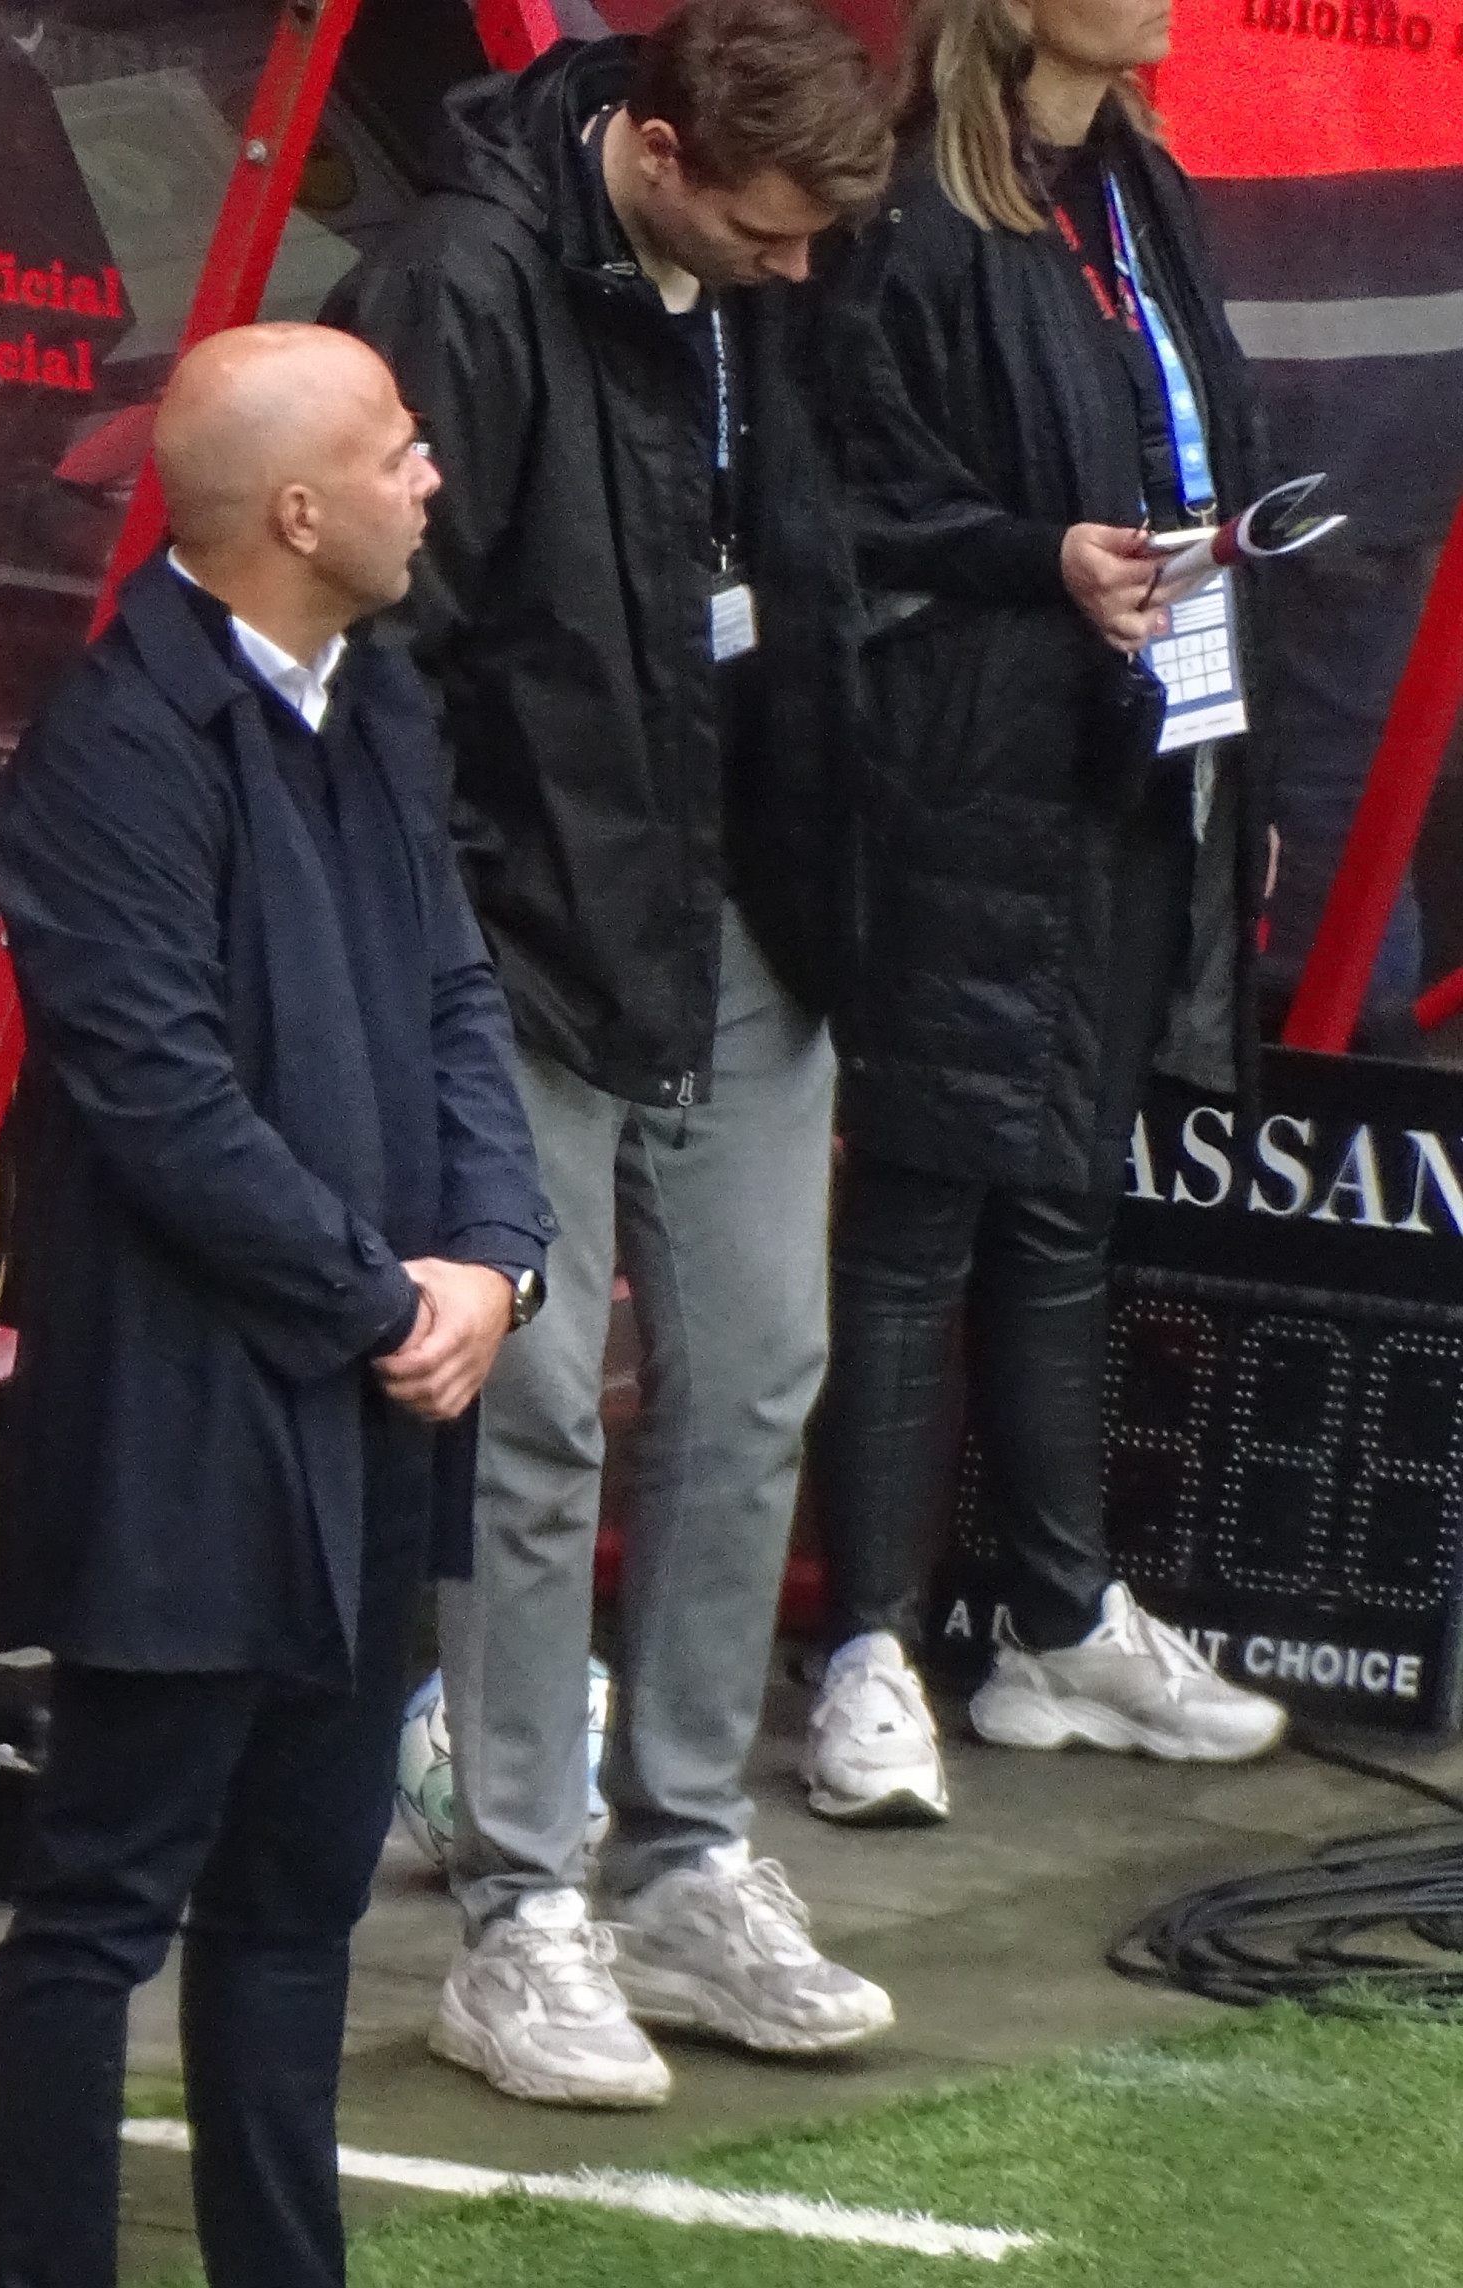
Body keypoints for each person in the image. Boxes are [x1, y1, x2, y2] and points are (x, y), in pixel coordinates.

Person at [0, 324, 556, 2288]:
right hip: (192, 1431)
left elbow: (452, 998)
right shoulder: (122, 744)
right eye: (402, 452)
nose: (433, 478)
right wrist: (381, 1295)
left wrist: (490, 1252)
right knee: (104, 1907)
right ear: (295, 515)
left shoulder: (378, 697)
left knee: (303, 1892)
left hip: (371, 1402)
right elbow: (150, 1089)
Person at [325, 0, 898, 2110]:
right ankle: (521, 1902)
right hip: (522, 941)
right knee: (536, 1415)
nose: (798, 266)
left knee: (756, 1375)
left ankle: (685, 1860)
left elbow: (813, 582)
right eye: (764, 228)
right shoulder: (462, 282)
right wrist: (442, 936)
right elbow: (379, 637)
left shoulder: (771, 284)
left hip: (748, 913)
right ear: (653, 152)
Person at [809, 0, 1286, 1806]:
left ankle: (1060, 1623)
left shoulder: (1139, 190)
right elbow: (846, 501)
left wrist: (1235, 768)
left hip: (1141, 768)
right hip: (974, 776)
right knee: (924, 1208)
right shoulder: (917, 221)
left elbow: (1205, 485)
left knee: (1069, 1202)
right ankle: (870, 1642)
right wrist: (1035, 561)